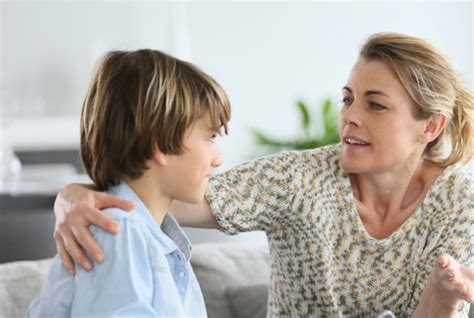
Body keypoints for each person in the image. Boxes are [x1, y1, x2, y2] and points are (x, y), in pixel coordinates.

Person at [53, 33, 473, 317]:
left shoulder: (461, 204)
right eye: (348, 100)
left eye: (375, 105)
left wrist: (442, 295)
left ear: (430, 126)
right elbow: (157, 190)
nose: (350, 118)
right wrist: (72, 195)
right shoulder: (298, 179)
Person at [27, 49, 230, 316]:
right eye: (211, 137)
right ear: (161, 145)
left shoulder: (144, 233)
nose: (219, 159)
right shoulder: (119, 230)